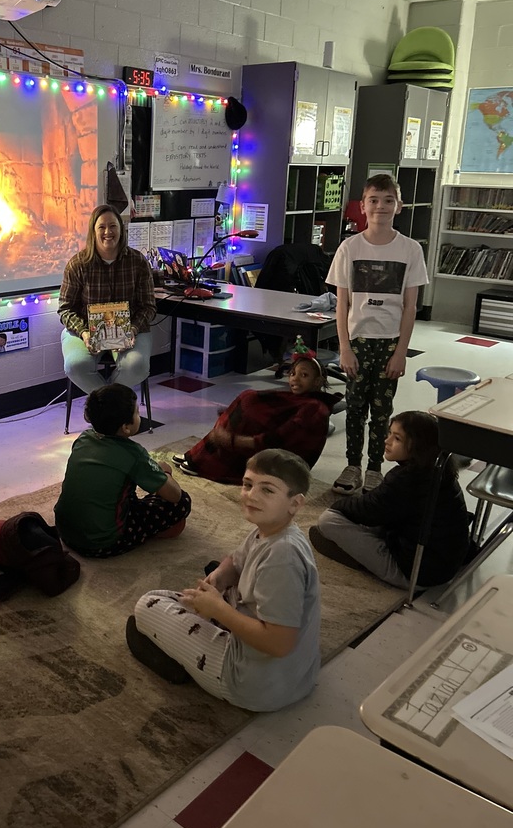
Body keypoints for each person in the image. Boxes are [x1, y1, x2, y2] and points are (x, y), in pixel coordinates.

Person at [126, 448, 320, 712]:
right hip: (293, 677)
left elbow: (279, 643)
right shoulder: (273, 532)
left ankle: (183, 665)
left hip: (250, 683)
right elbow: (235, 560)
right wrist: (218, 578)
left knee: (147, 604)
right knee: (213, 578)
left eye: (267, 490)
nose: (251, 495)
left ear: (295, 504)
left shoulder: (282, 557)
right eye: (248, 484)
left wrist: (219, 610)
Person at [326, 173, 428, 495]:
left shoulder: (410, 250)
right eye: (373, 200)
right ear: (362, 205)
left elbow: (410, 308)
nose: (380, 207)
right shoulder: (349, 248)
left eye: (388, 201)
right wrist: (344, 348)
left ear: (399, 206)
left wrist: (401, 352)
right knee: (355, 408)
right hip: (357, 342)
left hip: (389, 344)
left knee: (381, 412)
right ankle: (352, 465)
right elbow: (342, 305)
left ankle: (373, 468)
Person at [309, 411, 470, 590]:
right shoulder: (439, 468)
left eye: (397, 438)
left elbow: (367, 510)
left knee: (329, 520)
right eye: (389, 433)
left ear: (418, 445)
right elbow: (381, 504)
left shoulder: (407, 478)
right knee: (375, 515)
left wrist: (337, 506)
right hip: (442, 564)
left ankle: (361, 559)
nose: (387, 441)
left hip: (416, 574)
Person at [54, 383, 191, 557]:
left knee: (122, 490)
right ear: (126, 427)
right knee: (183, 501)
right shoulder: (133, 454)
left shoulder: (84, 438)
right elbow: (175, 495)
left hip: (65, 533)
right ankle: (149, 532)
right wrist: (164, 473)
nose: (139, 416)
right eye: (137, 413)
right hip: (102, 543)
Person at [173, 348, 342, 482]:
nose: (295, 379)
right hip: (272, 449)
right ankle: (199, 455)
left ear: (318, 382)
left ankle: (202, 461)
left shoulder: (314, 408)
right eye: (292, 374)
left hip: (285, 466)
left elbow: (280, 439)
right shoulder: (304, 400)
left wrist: (236, 441)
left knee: (247, 404)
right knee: (249, 399)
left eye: (304, 375)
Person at [59, 204, 156, 393]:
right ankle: (116, 409)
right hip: (86, 330)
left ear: (121, 229)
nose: (107, 232)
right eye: (101, 227)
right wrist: (84, 333)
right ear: (93, 231)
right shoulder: (77, 264)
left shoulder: (138, 262)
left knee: (137, 366)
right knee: (74, 365)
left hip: (130, 330)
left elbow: (148, 307)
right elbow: (65, 309)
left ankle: (105, 407)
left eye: (113, 226)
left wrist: (133, 330)